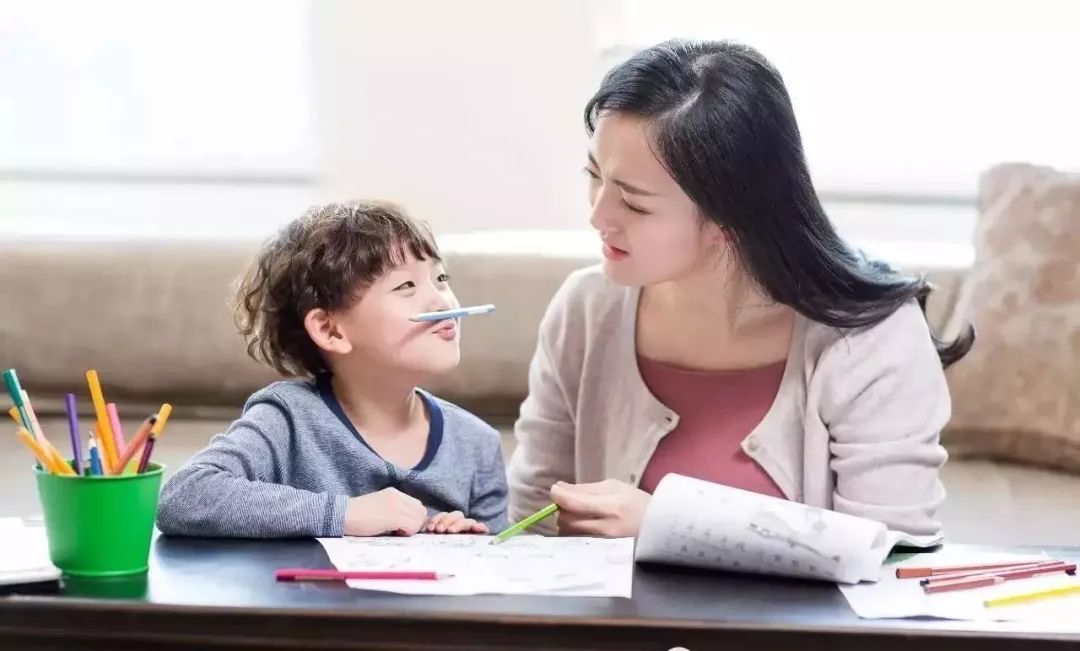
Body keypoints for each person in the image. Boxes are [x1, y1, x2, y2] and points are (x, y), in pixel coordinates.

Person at [507, 39, 973, 539]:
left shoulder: (871, 338)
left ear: (732, 216)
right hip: (612, 617)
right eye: (595, 176)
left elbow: (891, 551)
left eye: (635, 203)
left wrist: (670, 523)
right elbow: (532, 519)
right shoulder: (585, 310)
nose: (597, 216)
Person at [158, 201, 508, 538]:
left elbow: (498, 568)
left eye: (441, 277)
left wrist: (467, 541)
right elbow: (185, 496)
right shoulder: (288, 420)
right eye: (406, 286)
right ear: (330, 330)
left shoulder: (478, 445)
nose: (443, 301)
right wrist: (345, 514)